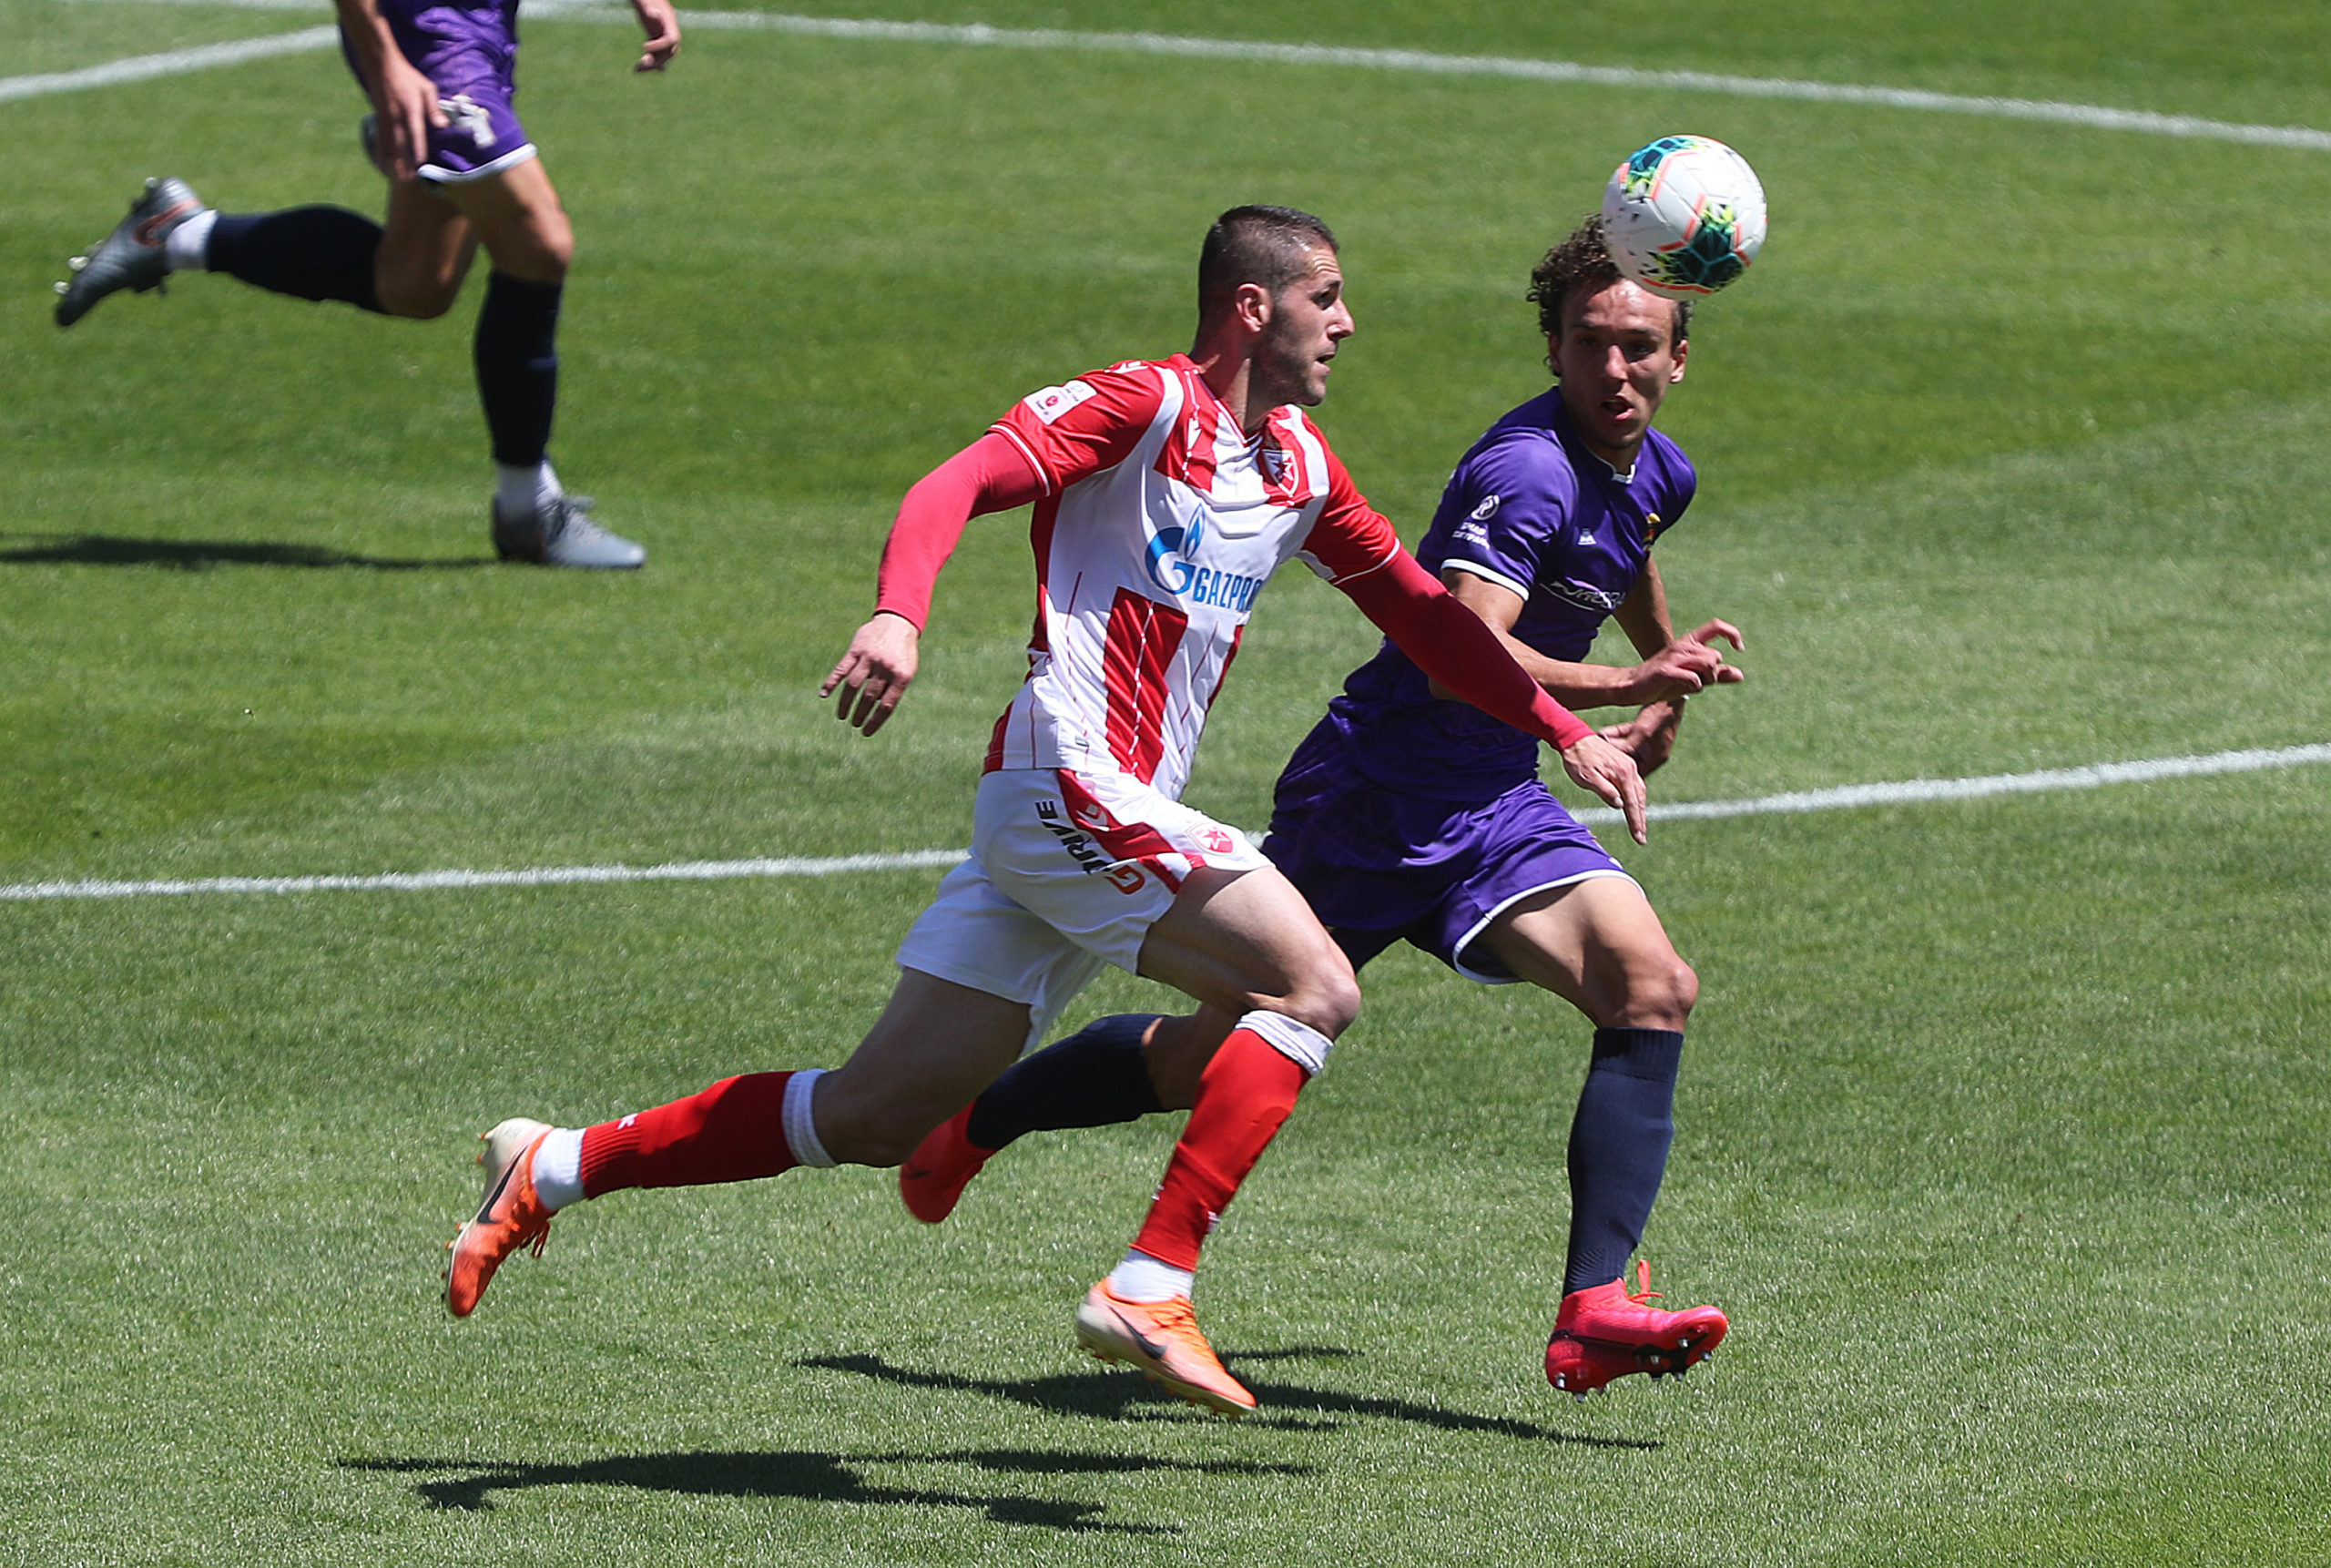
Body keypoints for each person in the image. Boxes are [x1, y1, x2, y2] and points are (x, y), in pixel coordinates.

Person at [440, 206, 1649, 1418]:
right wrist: (898, 612)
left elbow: (1431, 621)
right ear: (1252, 307)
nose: (1346, 323)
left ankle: (553, 1163)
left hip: (1093, 814)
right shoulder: (1142, 406)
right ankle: (1151, 1282)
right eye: (1323, 297)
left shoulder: (1299, 468)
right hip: (1067, 776)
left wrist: (1565, 728)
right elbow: (956, 481)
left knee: (870, 1115)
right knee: (1313, 986)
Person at [899, 216, 1738, 1400]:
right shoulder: (1528, 474)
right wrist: (1614, 692)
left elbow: (1626, 538)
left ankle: (1594, 1307)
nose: (1616, 370)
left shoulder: (1656, 467)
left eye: (1639, 347)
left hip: (1494, 803)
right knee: (1208, 1053)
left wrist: (1664, 662)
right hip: (1376, 797)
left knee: (1651, 986)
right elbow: (1461, 648)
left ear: (1678, 358)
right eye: (1590, 344)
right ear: (1551, 349)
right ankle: (981, 1122)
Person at [51, 0, 679, 569]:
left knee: (416, 283)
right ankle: (527, 511)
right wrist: (388, 64)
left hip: (481, 21)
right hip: (426, 32)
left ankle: (179, 235)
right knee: (539, 244)